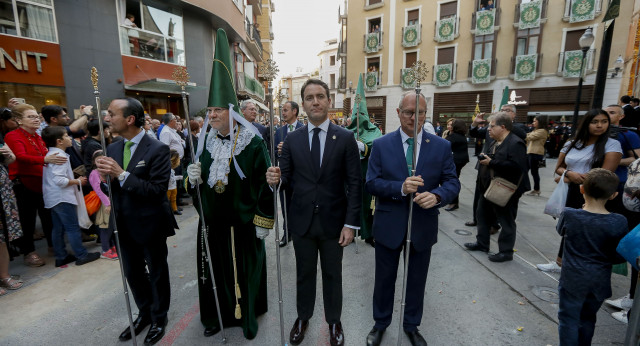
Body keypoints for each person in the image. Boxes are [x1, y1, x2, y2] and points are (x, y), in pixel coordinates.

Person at [185, 28, 273, 340]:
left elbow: (267, 183)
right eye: (209, 111)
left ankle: (249, 315)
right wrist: (190, 180)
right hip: (214, 224)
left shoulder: (252, 142)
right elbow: (196, 182)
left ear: (232, 112)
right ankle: (216, 316)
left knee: (248, 270)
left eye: (216, 110)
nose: (211, 116)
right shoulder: (204, 141)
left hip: (246, 221)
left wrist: (264, 219)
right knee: (214, 273)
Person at [266, 78, 361, 346]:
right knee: (304, 273)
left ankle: (334, 321)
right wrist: (276, 179)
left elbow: (355, 183)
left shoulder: (345, 138)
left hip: (335, 223)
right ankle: (302, 317)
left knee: (333, 275)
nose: (315, 102)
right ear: (304, 104)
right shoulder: (292, 139)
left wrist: (351, 224)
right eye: (309, 97)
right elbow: (286, 179)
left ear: (329, 101)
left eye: (320, 96)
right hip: (302, 223)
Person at [364, 92, 460, 346]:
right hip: (389, 224)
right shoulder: (382, 144)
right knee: (385, 280)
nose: (414, 118)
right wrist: (400, 187)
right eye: (409, 112)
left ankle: (411, 325)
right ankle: (380, 324)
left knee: (416, 280)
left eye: (421, 113)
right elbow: (371, 183)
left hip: (422, 225)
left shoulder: (441, 146)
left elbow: (452, 182)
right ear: (398, 113)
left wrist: (438, 196)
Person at [96, 97, 177, 345]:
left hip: (150, 223)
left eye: (111, 113)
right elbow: (112, 190)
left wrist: (121, 174)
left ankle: (158, 318)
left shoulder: (157, 149)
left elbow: (155, 190)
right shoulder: (112, 148)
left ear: (130, 119)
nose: (107, 118)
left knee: (156, 272)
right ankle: (144, 313)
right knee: (132, 273)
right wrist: (103, 178)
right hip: (123, 223)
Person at [537, 109, 622, 273]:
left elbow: (605, 175)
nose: (599, 125)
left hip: (594, 194)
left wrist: (569, 177)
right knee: (568, 227)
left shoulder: (612, 144)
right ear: (586, 123)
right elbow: (559, 168)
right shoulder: (572, 143)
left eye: (604, 121)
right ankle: (560, 262)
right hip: (571, 191)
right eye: (595, 121)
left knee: (588, 230)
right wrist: (569, 174)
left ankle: (581, 266)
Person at [556, 168, 628, 346]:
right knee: (588, 319)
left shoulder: (570, 214)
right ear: (613, 196)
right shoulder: (619, 221)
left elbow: (560, 231)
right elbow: (619, 254)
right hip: (599, 280)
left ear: (581, 189)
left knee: (568, 320)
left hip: (572, 279)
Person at [5, 104, 68, 267]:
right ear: (19, 120)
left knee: (48, 216)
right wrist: (45, 160)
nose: (36, 119)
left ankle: (53, 246)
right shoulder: (13, 136)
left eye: (36, 116)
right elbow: (20, 157)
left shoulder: (37, 136)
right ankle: (29, 252)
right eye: (30, 117)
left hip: (42, 182)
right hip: (23, 183)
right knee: (27, 220)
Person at [464, 112, 528, 262]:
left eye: (492, 126)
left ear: (503, 127)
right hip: (489, 186)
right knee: (482, 214)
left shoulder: (515, 143)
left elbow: (517, 167)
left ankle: (506, 252)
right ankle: (482, 243)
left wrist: (491, 162)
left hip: (507, 189)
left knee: (506, 220)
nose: (488, 129)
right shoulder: (495, 141)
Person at [602, 104, 640, 323]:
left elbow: (635, 158)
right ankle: (632, 296)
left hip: (626, 191)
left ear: (622, 116)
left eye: (612, 113)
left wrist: (613, 159)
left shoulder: (629, 135)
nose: (607, 117)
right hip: (617, 193)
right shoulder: (603, 137)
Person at [41, 126, 99, 267]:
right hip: (62, 197)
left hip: (53, 197)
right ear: (59, 141)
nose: (70, 138)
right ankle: (81, 255)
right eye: (67, 136)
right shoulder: (59, 156)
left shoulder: (53, 154)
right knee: (72, 227)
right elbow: (60, 180)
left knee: (58, 228)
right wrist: (77, 181)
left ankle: (61, 256)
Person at [346, 77, 382, 247]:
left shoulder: (375, 131)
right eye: (356, 114)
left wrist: (364, 147)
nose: (359, 117)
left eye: (361, 114)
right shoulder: (346, 131)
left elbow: (378, 147)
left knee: (369, 207)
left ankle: (369, 234)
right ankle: (350, 232)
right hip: (350, 176)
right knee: (350, 205)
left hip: (368, 175)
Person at [271, 100, 303, 247]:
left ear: (294, 111)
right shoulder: (279, 132)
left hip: (300, 175)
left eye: (285, 110)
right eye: (282, 110)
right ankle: (287, 232)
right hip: (284, 175)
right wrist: (279, 152)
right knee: (285, 205)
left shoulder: (304, 129)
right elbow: (275, 154)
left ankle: (300, 232)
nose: (283, 113)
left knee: (301, 205)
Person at [0, 138, 23, 295]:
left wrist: (9, 155)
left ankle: (4, 275)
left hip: (3, 194)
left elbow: (11, 159)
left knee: (2, 238)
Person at [88, 150, 117, 260]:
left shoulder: (107, 171)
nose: (101, 162)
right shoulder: (94, 173)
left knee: (111, 227)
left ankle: (112, 246)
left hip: (109, 203)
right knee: (105, 227)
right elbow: (99, 190)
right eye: (98, 160)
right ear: (94, 162)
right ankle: (105, 250)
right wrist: (108, 204)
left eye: (103, 159)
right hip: (103, 205)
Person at [444, 119, 469, 211]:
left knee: (452, 180)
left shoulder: (454, 136)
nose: (450, 126)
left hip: (456, 161)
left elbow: (443, 144)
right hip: (460, 160)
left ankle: (454, 203)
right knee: (454, 179)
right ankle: (453, 201)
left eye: (452, 125)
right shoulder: (460, 135)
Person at [525, 115, 548, 196]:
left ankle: (536, 189)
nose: (533, 123)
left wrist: (524, 134)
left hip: (536, 153)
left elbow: (528, 137)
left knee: (534, 172)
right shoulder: (536, 130)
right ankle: (523, 187)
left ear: (540, 122)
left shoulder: (542, 131)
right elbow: (528, 135)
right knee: (525, 170)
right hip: (530, 152)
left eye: (535, 121)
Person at [167, 149, 181, 215]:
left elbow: (173, 178)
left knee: (173, 199)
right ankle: (168, 210)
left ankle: (174, 209)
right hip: (168, 188)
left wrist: (179, 177)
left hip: (173, 187)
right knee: (167, 200)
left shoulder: (172, 170)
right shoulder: (167, 169)